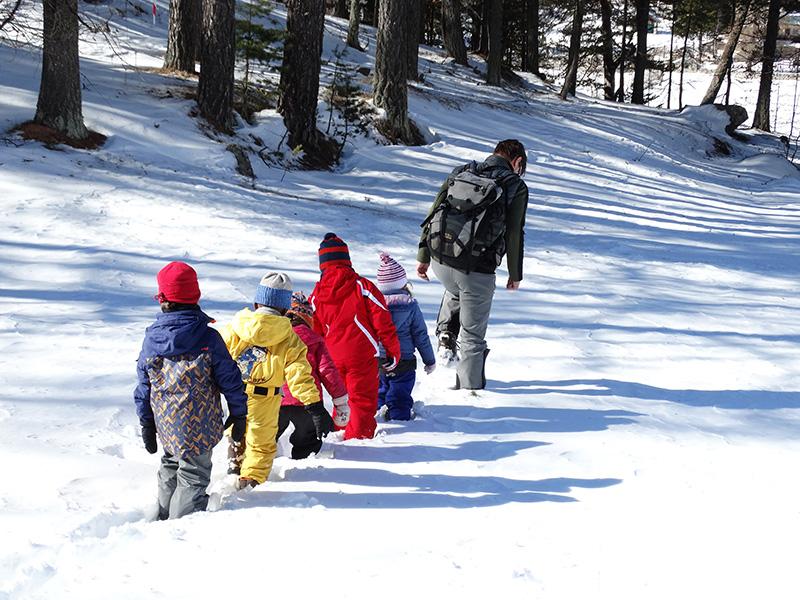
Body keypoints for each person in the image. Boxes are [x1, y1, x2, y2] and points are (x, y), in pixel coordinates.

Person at [134, 261, 248, 520]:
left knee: (171, 463)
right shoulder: (208, 338)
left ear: (163, 299)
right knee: (193, 474)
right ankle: (180, 525)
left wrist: (147, 423)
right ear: (194, 295)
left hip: (166, 423)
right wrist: (239, 414)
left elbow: (143, 386)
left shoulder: (152, 340)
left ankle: (163, 516)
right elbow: (230, 379)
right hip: (200, 425)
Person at [416, 139, 529, 390]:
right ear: (517, 161)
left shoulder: (463, 171)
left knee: (456, 286)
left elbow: (436, 209)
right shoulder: (514, 185)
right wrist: (515, 273)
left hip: (440, 260)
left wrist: (423, 256)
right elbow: (514, 233)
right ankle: (471, 394)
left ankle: (446, 333)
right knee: (473, 336)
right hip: (476, 270)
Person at [221, 272, 333, 489]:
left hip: (237, 394)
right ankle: (250, 482)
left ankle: (234, 466)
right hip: (267, 398)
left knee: (237, 432)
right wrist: (314, 406)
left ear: (256, 303)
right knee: (261, 443)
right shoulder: (290, 337)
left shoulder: (236, 327)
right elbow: (298, 373)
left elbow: (218, 358)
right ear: (284, 309)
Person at [309, 233, 401, 440]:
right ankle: (359, 439)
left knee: (340, 398)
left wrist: (315, 357)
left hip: (331, 355)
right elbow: (383, 320)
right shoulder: (363, 287)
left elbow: (313, 329)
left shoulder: (316, 294)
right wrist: (393, 349)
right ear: (347, 260)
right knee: (361, 398)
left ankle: (339, 432)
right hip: (362, 354)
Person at [278, 292, 350, 459]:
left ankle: (263, 466)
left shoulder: (275, 336)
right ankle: (304, 465)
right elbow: (328, 372)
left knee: (266, 439)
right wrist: (340, 402)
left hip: (276, 401)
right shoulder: (315, 340)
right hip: (308, 405)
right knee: (307, 441)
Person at [375, 253, 436, 421]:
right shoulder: (410, 306)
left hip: (379, 360)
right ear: (403, 284)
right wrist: (429, 360)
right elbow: (421, 336)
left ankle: (377, 417)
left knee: (379, 391)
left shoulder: (374, 306)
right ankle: (400, 419)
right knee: (399, 395)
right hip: (404, 361)